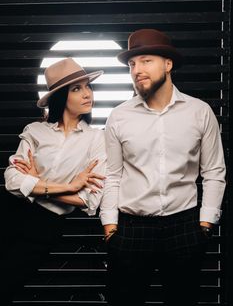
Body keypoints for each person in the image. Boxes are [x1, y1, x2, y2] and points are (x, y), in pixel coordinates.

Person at [99, 28, 226, 306]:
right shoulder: (119, 116)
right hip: (131, 228)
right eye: (132, 64)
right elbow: (112, 174)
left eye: (146, 61)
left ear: (168, 64)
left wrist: (205, 224)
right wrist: (110, 226)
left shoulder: (199, 112)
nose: (137, 70)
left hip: (185, 226)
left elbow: (214, 172)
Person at [1, 57, 106, 304]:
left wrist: (37, 184)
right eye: (77, 88)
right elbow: (12, 180)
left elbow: (90, 200)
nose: (87, 93)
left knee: (5, 286)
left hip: (45, 225)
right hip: (8, 212)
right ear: (60, 97)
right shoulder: (35, 131)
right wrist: (69, 186)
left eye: (88, 86)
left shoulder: (97, 139)